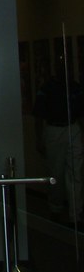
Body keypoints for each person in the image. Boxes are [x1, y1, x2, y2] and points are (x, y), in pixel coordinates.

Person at [34, 54, 84, 224]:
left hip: (72, 127)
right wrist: (39, 138)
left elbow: (81, 113)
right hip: (54, 129)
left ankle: (75, 213)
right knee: (56, 172)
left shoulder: (76, 88)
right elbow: (39, 115)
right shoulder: (48, 88)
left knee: (75, 172)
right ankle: (55, 207)